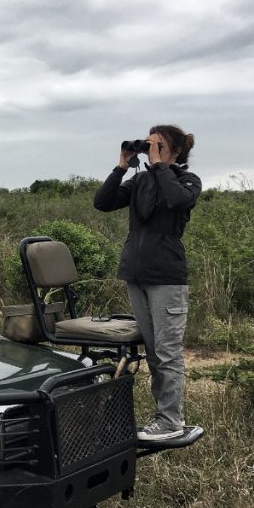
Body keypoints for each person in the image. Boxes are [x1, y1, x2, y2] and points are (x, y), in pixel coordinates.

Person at [93, 125, 201, 441]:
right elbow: (103, 202)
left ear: (177, 151)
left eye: (158, 144)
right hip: (135, 275)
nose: (151, 148)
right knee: (154, 353)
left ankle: (170, 422)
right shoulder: (140, 180)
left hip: (167, 278)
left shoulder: (187, 181)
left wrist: (158, 165)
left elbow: (175, 198)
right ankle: (163, 419)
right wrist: (122, 165)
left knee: (168, 353)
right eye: (148, 143)